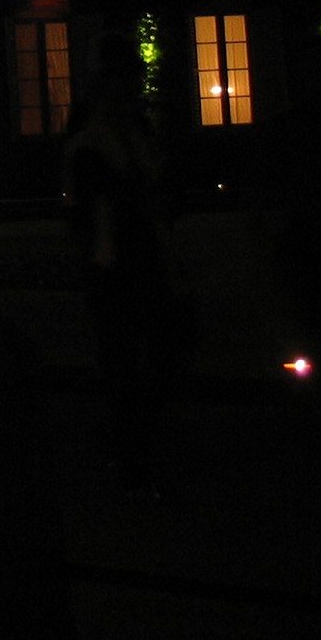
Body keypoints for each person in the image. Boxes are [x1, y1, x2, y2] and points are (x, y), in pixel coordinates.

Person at [64, 32, 192, 489]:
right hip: (117, 265)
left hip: (136, 261)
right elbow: (95, 210)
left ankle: (136, 444)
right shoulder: (101, 146)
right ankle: (132, 449)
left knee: (145, 356)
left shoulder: (127, 141)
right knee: (124, 360)